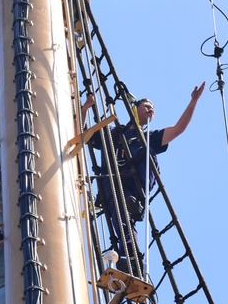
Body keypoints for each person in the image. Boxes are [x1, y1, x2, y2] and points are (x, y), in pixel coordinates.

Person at [82, 82, 205, 274]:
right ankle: (129, 256)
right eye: (147, 106)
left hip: (135, 183)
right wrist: (85, 108)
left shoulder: (149, 137)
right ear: (134, 108)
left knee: (149, 153)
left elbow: (178, 129)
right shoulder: (113, 132)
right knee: (120, 214)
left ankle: (138, 199)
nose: (151, 110)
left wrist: (193, 101)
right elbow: (84, 135)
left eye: (153, 109)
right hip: (113, 182)